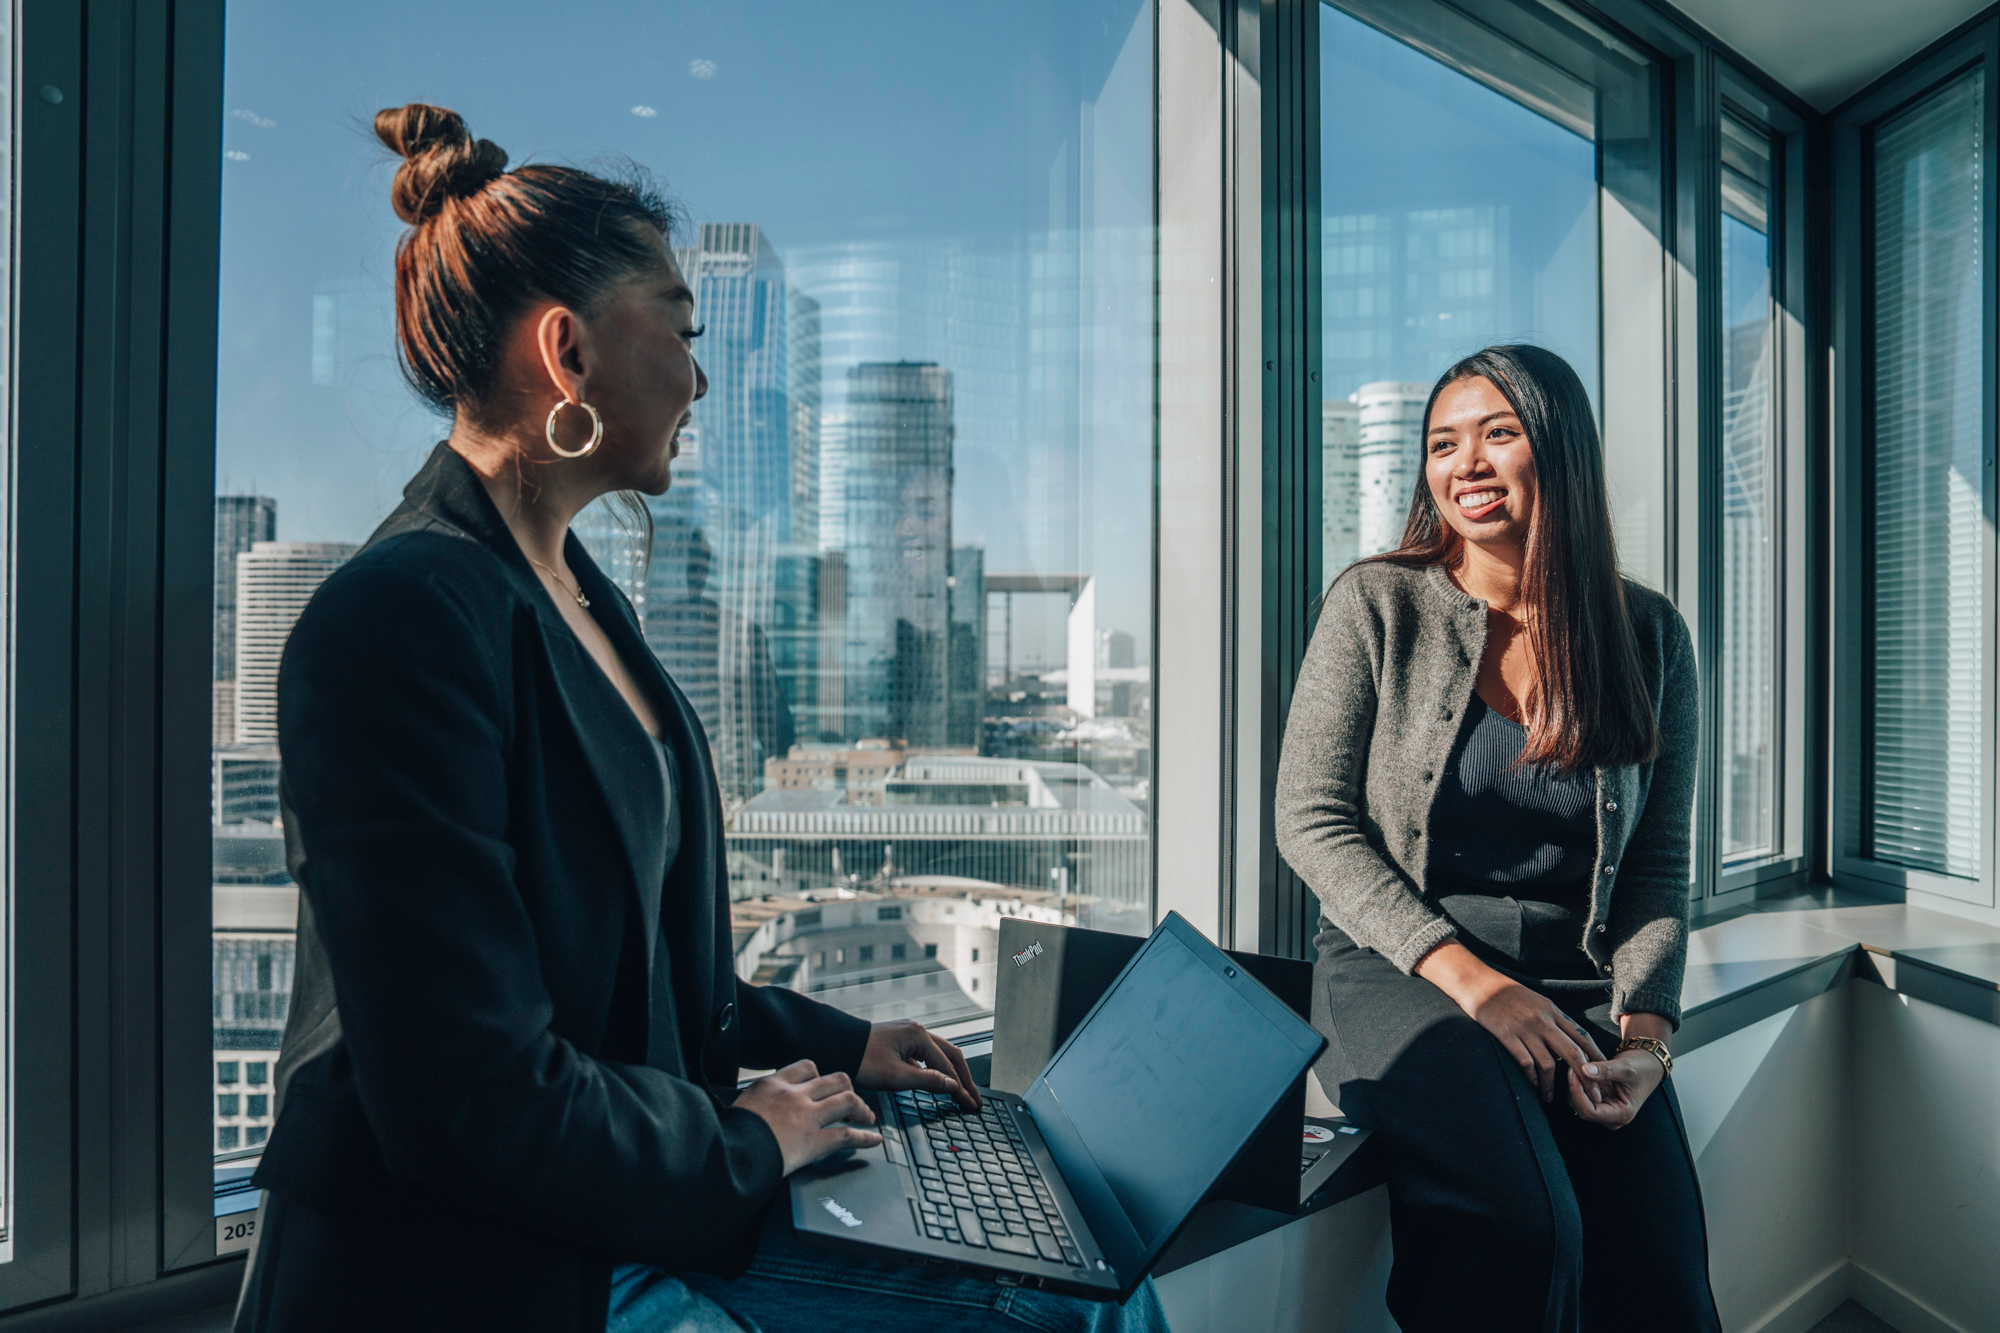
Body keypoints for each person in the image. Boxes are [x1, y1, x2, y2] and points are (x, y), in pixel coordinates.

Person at [233, 103, 1167, 1333]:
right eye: (681, 328)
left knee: (1096, 1272)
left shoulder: (570, 592)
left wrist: (843, 1044)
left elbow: (627, 986)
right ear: (567, 351)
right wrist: (743, 1140)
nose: (700, 374)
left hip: (613, 1206)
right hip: (487, 1267)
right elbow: (468, 1096)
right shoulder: (397, 621)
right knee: (1069, 1309)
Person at [1274, 345, 1721, 1333]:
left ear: (1556, 450)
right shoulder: (1374, 603)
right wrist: (1477, 985)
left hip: (1572, 978)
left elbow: (1651, 867)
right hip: (1397, 963)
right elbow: (1309, 819)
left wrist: (1646, 1040)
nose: (1463, 462)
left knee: (1661, 1283)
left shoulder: (1647, 635)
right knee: (1519, 1231)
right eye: (1442, 443)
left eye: (1496, 433)